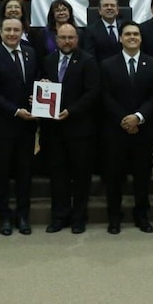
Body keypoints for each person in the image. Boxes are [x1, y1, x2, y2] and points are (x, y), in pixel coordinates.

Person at [99, 21, 153, 235]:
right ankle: (114, 216)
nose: (132, 37)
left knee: (142, 176)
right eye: (127, 34)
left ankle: (142, 215)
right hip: (116, 131)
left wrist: (138, 117)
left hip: (143, 131)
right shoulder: (107, 65)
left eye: (136, 34)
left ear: (141, 38)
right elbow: (105, 97)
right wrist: (125, 120)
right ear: (120, 38)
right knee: (114, 177)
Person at [0, 18, 40, 236]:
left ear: (22, 31)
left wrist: (39, 97)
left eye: (16, 30)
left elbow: (34, 81)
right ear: (1, 32)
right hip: (3, 126)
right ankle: (5, 216)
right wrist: (16, 111)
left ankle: (23, 216)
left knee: (25, 174)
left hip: (27, 127)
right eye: (8, 30)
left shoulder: (30, 53)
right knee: (3, 173)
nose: (12, 33)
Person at [41, 23, 100, 234]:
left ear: (77, 39)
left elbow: (92, 93)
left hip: (80, 129)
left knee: (81, 176)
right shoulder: (47, 61)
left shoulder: (88, 61)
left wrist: (71, 111)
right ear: (56, 40)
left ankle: (79, 217)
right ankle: (59, 216)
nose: (67, 41)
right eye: (63, 37)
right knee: (58, 175)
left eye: (71, 37)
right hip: (54, 131)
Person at [81, 0, 124, 64]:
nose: (109, 8)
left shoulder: (125, 27)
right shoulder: (91, 31)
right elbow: (90, 57)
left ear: (117, 10)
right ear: (99, 11)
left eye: (112, 5)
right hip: (101, 72)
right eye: (105, 5)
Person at [36, 0, 80, 65]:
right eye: (58, 11)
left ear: (70, 13)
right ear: (52, 14)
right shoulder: (44, 33)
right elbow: (40, 57)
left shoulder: (79, 33)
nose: (61, 13)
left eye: (64, 10)